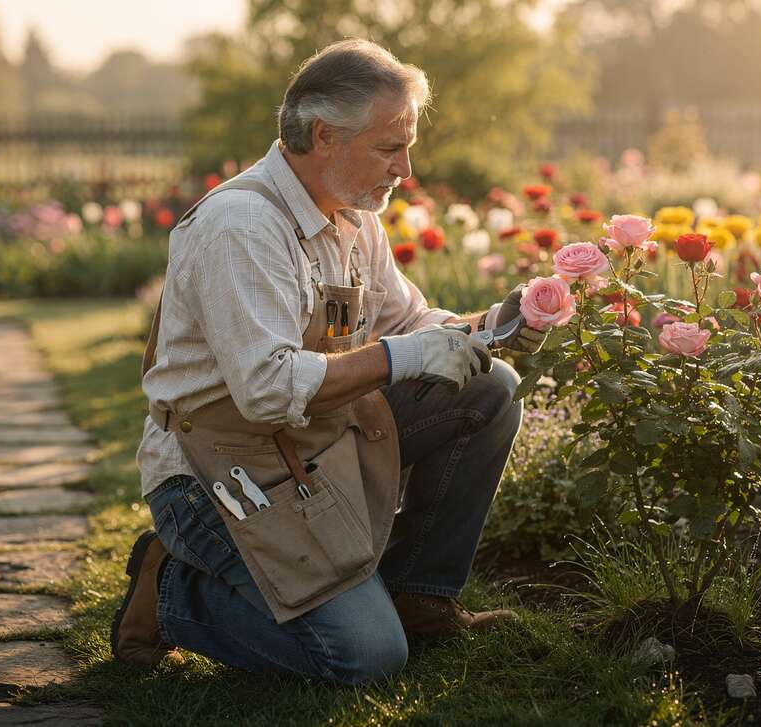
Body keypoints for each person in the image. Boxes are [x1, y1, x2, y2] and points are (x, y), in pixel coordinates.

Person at [111, 38, 547, 685]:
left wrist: (491, 328)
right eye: (389, 146)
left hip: (313, 440)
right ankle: (172, 591)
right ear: (324, 137)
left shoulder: (354, 218)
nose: (405, 167)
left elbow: (406, 324)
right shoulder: (243, 225)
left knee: (491, 390)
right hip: (215, 472)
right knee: (363, 656)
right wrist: (405, 355)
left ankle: (417, 594)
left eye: (409, 146)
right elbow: (264, 390)